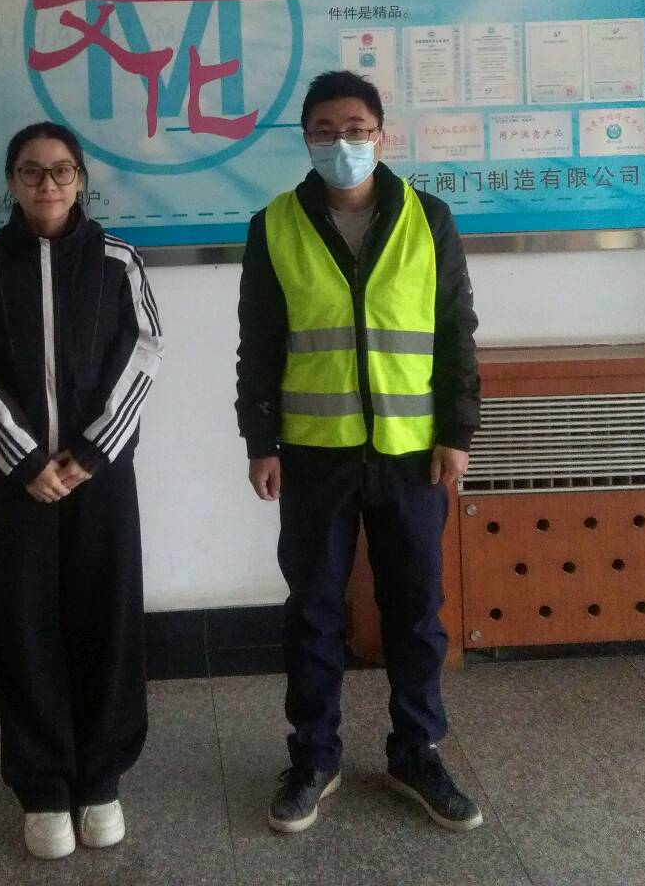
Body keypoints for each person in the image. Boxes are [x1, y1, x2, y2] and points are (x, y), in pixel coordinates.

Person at [235, 70, 483, 835]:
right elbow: (259, 345)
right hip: (315, 454)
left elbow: (455, 331)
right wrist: (260, 442)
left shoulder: (428, 218)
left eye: (355, 128)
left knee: (416, 611)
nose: (341, 142)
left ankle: (417, 751)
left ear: (382, 134)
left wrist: (457, 433)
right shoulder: (274, 225)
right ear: (305, 138)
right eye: (325, 130)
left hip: (412, 454)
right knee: (313, 612)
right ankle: (313, 757)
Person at [0, 121, 163, 860]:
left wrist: (92, 452)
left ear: (81, 180)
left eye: (62, 170)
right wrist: (26, 460)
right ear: (11, 181)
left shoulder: (119, 262)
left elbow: (144, 355)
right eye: (31, 171)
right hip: (14, 486)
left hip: (102, 479)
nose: (48, 184)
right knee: (22, 627)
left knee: (109, 621)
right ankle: (41, 788)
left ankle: (101, 780)